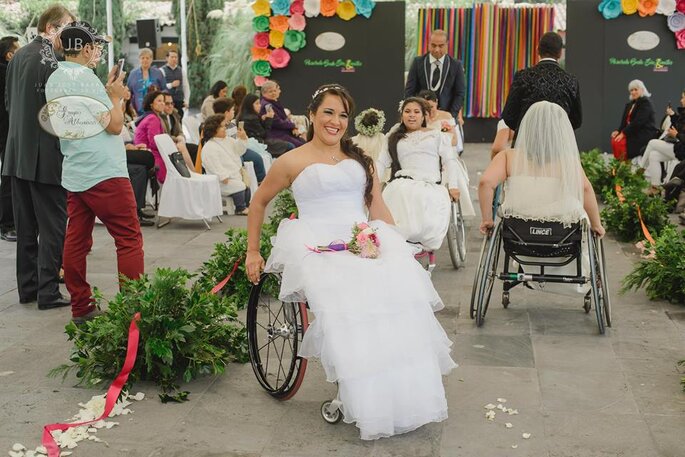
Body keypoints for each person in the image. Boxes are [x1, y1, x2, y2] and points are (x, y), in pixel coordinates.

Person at [245, 84, 455, 440]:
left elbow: (377, 206)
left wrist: (395, 244)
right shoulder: (291, 161)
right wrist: (253, 251)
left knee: (399, 294)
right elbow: (259, 203)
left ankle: (399, 394)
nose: (336, 122)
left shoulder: (360, 160)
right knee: (349, 300)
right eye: (328, 112)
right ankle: (361, 390)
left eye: (343, 115)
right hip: (316, 244)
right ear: (311, 115)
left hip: (362, 238)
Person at [45, 21, 144, 323]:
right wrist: (116, 96)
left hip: (76, 168)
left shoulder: (55, 78)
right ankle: (134, 310)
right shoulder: (85, 77)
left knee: (77, 240)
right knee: (128, 238)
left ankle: (81, 306)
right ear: (85, 48)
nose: (99, 52)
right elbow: (114, 126)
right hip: (104, 170)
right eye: (97, 46)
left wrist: (106, 90)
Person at [479, 101, 604, 293]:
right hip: (563, 236)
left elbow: (485, 183)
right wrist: (596, 225)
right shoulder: (567, 161)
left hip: (519, 235)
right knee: (579, 214)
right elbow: (586, 190)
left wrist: (487, 219)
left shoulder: (507, 157)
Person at [2, 5, 75, 309]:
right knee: (54, 225)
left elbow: (8, 103)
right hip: (44, 156)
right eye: (68, 29)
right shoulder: (52, 61)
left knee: (27, 227)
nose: (71, 36)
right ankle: (48, 292)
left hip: (16, 154)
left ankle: (28, 289)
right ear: (50, 29)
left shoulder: (18, 56)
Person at [378, 98, 462, 251]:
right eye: (407, 111)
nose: (412, 115)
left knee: (419, 196)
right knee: (398, 192)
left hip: (430, 184)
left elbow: (450, 161)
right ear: (402, 115)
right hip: (403, 181)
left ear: (424, 116)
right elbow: (381, 163)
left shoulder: (437, 136)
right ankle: (399, 240)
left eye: (416, 112)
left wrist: (454, 186)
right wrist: (372, 185)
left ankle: (413, 239)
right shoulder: (393, 138)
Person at [502, 32, 582, 132]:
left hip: (527, 142)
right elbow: (577, 120)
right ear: (560, 53)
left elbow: (509, 116)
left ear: (538, 50)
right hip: (558, 143)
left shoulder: (523, 76)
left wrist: (524, 130)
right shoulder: (571, 81)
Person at [417, 90, 475, 217]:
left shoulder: (446, 116)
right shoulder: (419, 119)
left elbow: (454, 141)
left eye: (431, 107)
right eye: (425, 108)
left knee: (451, 169)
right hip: (426, 155)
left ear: (437, 103)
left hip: (445, 154)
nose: (429, 111)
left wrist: (442, 141)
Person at [404, 29, 466, 120]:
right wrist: (415, 114)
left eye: (441, 46)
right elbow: (409, 91)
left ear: (447, 45)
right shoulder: (418, 63)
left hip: (446, 116)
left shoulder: (456, 65)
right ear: (428, 44)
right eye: (433, 45)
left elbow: (460, 93)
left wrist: (451, 116)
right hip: (421, 117)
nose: (437, 50)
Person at [134, 90, 192, 183]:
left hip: (148, 151)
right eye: (159, 101)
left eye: (163, 101)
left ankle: (189, 176)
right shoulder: (152, 118)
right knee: (175, 156)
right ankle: (189, 177)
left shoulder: (152, 117)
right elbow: (154, 143)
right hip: (148, 152)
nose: (162, 104)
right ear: (151, 104)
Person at [200, 114, 251, 215]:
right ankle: (240, 208)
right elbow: (213, 165)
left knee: (246, 185)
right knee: (239, 185)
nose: (225, 128)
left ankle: (246, 205)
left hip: (233, 176)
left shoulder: (228, 140)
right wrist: (223, 176)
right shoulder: (209, 147)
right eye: (222, 126)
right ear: (214, 129)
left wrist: (242, 138)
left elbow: (240, 151)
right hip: (221, 181)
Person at [212, 97, 266, 183]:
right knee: (238, 162)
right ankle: (242, 183)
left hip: (238, 148)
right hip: (230, 152)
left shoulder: (232, 124)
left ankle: (262, 183)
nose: (234, 112)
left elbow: (237, 141)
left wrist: (242, 137)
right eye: (232, 110)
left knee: (257, 158)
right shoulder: (217, 127)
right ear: (227, 113)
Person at [0, 36, 20, 242]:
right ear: (10, 55)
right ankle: (6, 224)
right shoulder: (6, 72)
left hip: (6, 133)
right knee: (8, 178)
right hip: (7, 133)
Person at [611, 80, 659, 163]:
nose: (633, 92)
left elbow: (638, 122)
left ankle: (624, 166)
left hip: (643, 134)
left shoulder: (646, 103)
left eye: (636, 89)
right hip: (633, 132)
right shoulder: (630, 104)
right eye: (631, 90)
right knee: (614, 140)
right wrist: (618, 131)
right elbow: (624, 122)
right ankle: (619, 166)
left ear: (642, 90)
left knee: (619, 143)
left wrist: (623, 133)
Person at [238, 93, 292, 157]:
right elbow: (265, 134)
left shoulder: (243, 115)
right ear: (250, 105)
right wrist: (269, 119)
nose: (260, 106)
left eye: (259, 103)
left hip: (256, 142)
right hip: (259, 144)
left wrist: (263, 119)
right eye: (257, 103)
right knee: (290, 146)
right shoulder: (252, 118)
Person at [259, 80, 306, 147]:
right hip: (275, 134)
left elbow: (284, 118)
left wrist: (293, 128)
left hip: (283, 131)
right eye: (270, 92)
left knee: (304, 143)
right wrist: (293, 126)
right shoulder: (266, 105)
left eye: (274, 91)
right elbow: (277, 122)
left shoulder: (274, 101)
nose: (273, 93)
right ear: (264, 94)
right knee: (301, 146)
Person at [161, 92, 198, 166]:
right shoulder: (159, 118)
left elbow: (180, 131)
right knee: (194, 149)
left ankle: (198, 171)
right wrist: (177, 139)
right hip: (167, 146)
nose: (170, 106)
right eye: (167, 104)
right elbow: (163, 136)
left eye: (172, 103)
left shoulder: (174, 114)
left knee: (196, 149)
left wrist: (181, 137)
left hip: (177, 143)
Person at [126, 48, 165, 115]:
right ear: (139, 59)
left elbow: (164, 89)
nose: (145, 60)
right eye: (142, 58)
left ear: (151, 59)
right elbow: (128, 92)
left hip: (155, 110)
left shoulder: (158, 73)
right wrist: (131, 109)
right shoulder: (133, 74)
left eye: (147, 58)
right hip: (137, 110)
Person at [159, 49, 186, 118]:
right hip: (167, 101)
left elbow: (185, 86)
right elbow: (161, 86)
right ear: (167, 58)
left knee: (179, 119)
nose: (174, 59)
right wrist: (171, 85)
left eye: (176, 57)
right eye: (172, 57)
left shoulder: (181, 70)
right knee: (168, 119)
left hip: (179, 101)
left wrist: (186, 100)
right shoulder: (162, 70)